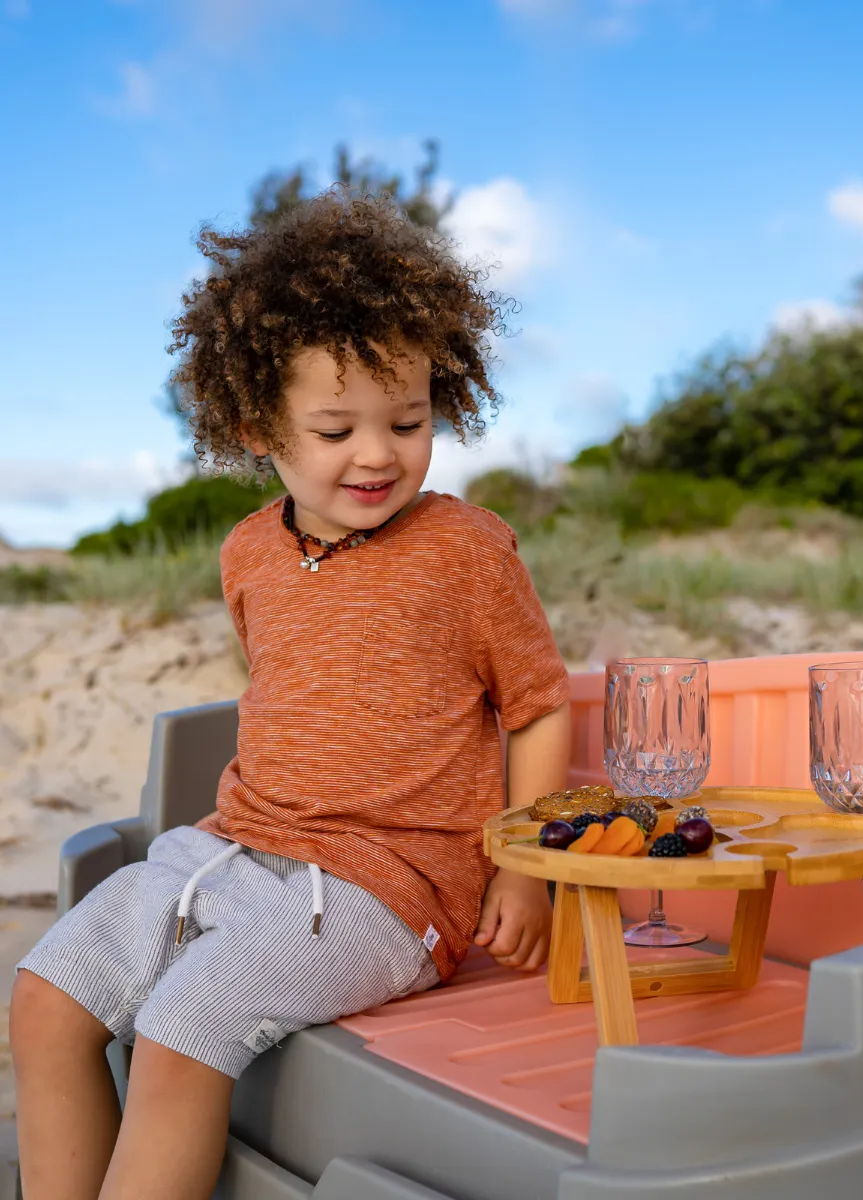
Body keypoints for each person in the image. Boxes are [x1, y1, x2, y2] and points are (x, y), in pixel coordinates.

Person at [8, 189, 572, 1200]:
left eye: (407, 420)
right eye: (334, 427)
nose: (377, 453)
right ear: (255, 423)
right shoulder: (248, 554)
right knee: (46, 998)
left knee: (183, 1030)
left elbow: (535, 708)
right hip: (229, 847)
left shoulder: (466, 549)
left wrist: (523, 871)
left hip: (387, 889)